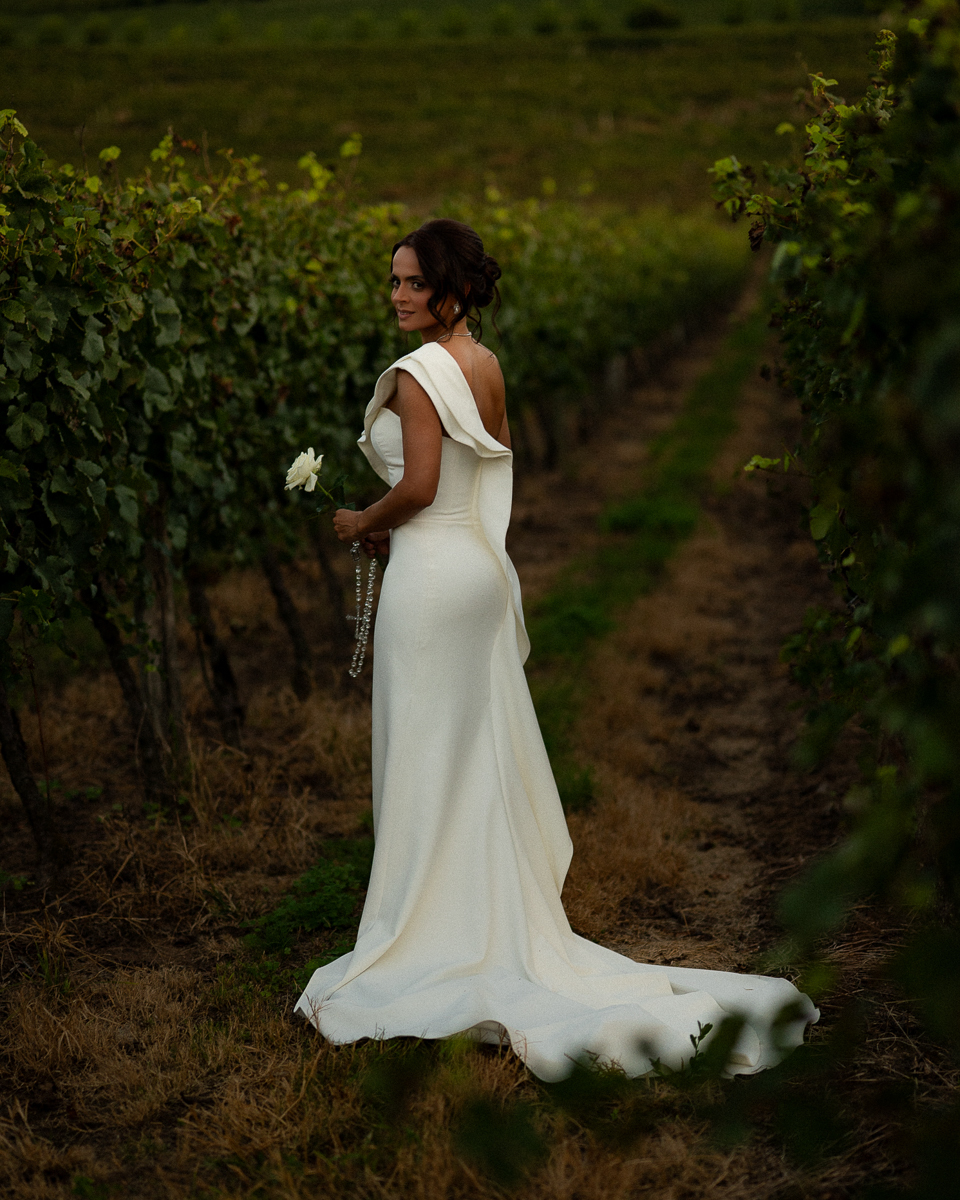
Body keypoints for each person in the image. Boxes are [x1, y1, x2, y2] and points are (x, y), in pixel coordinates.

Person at [294, 218, 817, 1082]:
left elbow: (419, 487)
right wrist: (412, 528)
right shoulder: (485, 364)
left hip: (431, 583)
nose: (395, 295)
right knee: (470, 755)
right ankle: (481, 919)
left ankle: (427, 936)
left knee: (425, 756)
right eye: (392, 280)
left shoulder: (421, 375)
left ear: (449, 290)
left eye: (410, 283)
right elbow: (477, 477)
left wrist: (362, 521)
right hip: (474, 570)